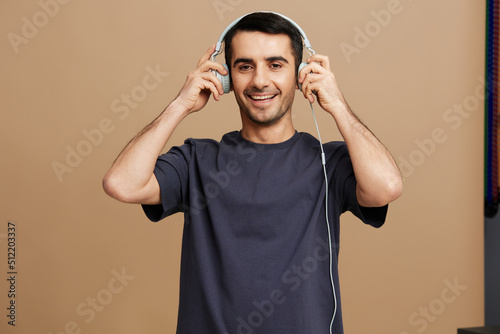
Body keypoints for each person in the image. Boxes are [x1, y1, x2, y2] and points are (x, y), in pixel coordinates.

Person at [102, 11, 402, 334]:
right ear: (227, 77)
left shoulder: (328, 162)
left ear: (301, 75)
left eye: (275, 65)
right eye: (245, 66)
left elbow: (386, 186)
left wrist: (339, 105)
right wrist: (180, 105)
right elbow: (121, 183)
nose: (260, 81)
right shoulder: (197, 160)